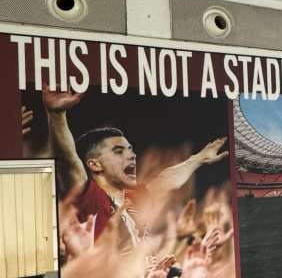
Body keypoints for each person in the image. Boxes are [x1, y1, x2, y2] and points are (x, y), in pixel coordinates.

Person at [43, 86, 229, 253]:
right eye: (118, 151)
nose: (131, 156)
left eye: (131, 150)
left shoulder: (131, 199)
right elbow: (69, 162)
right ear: (94, 164)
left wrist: (199, 158)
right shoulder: (91, 199)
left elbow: (165, 181)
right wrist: (56, 115)